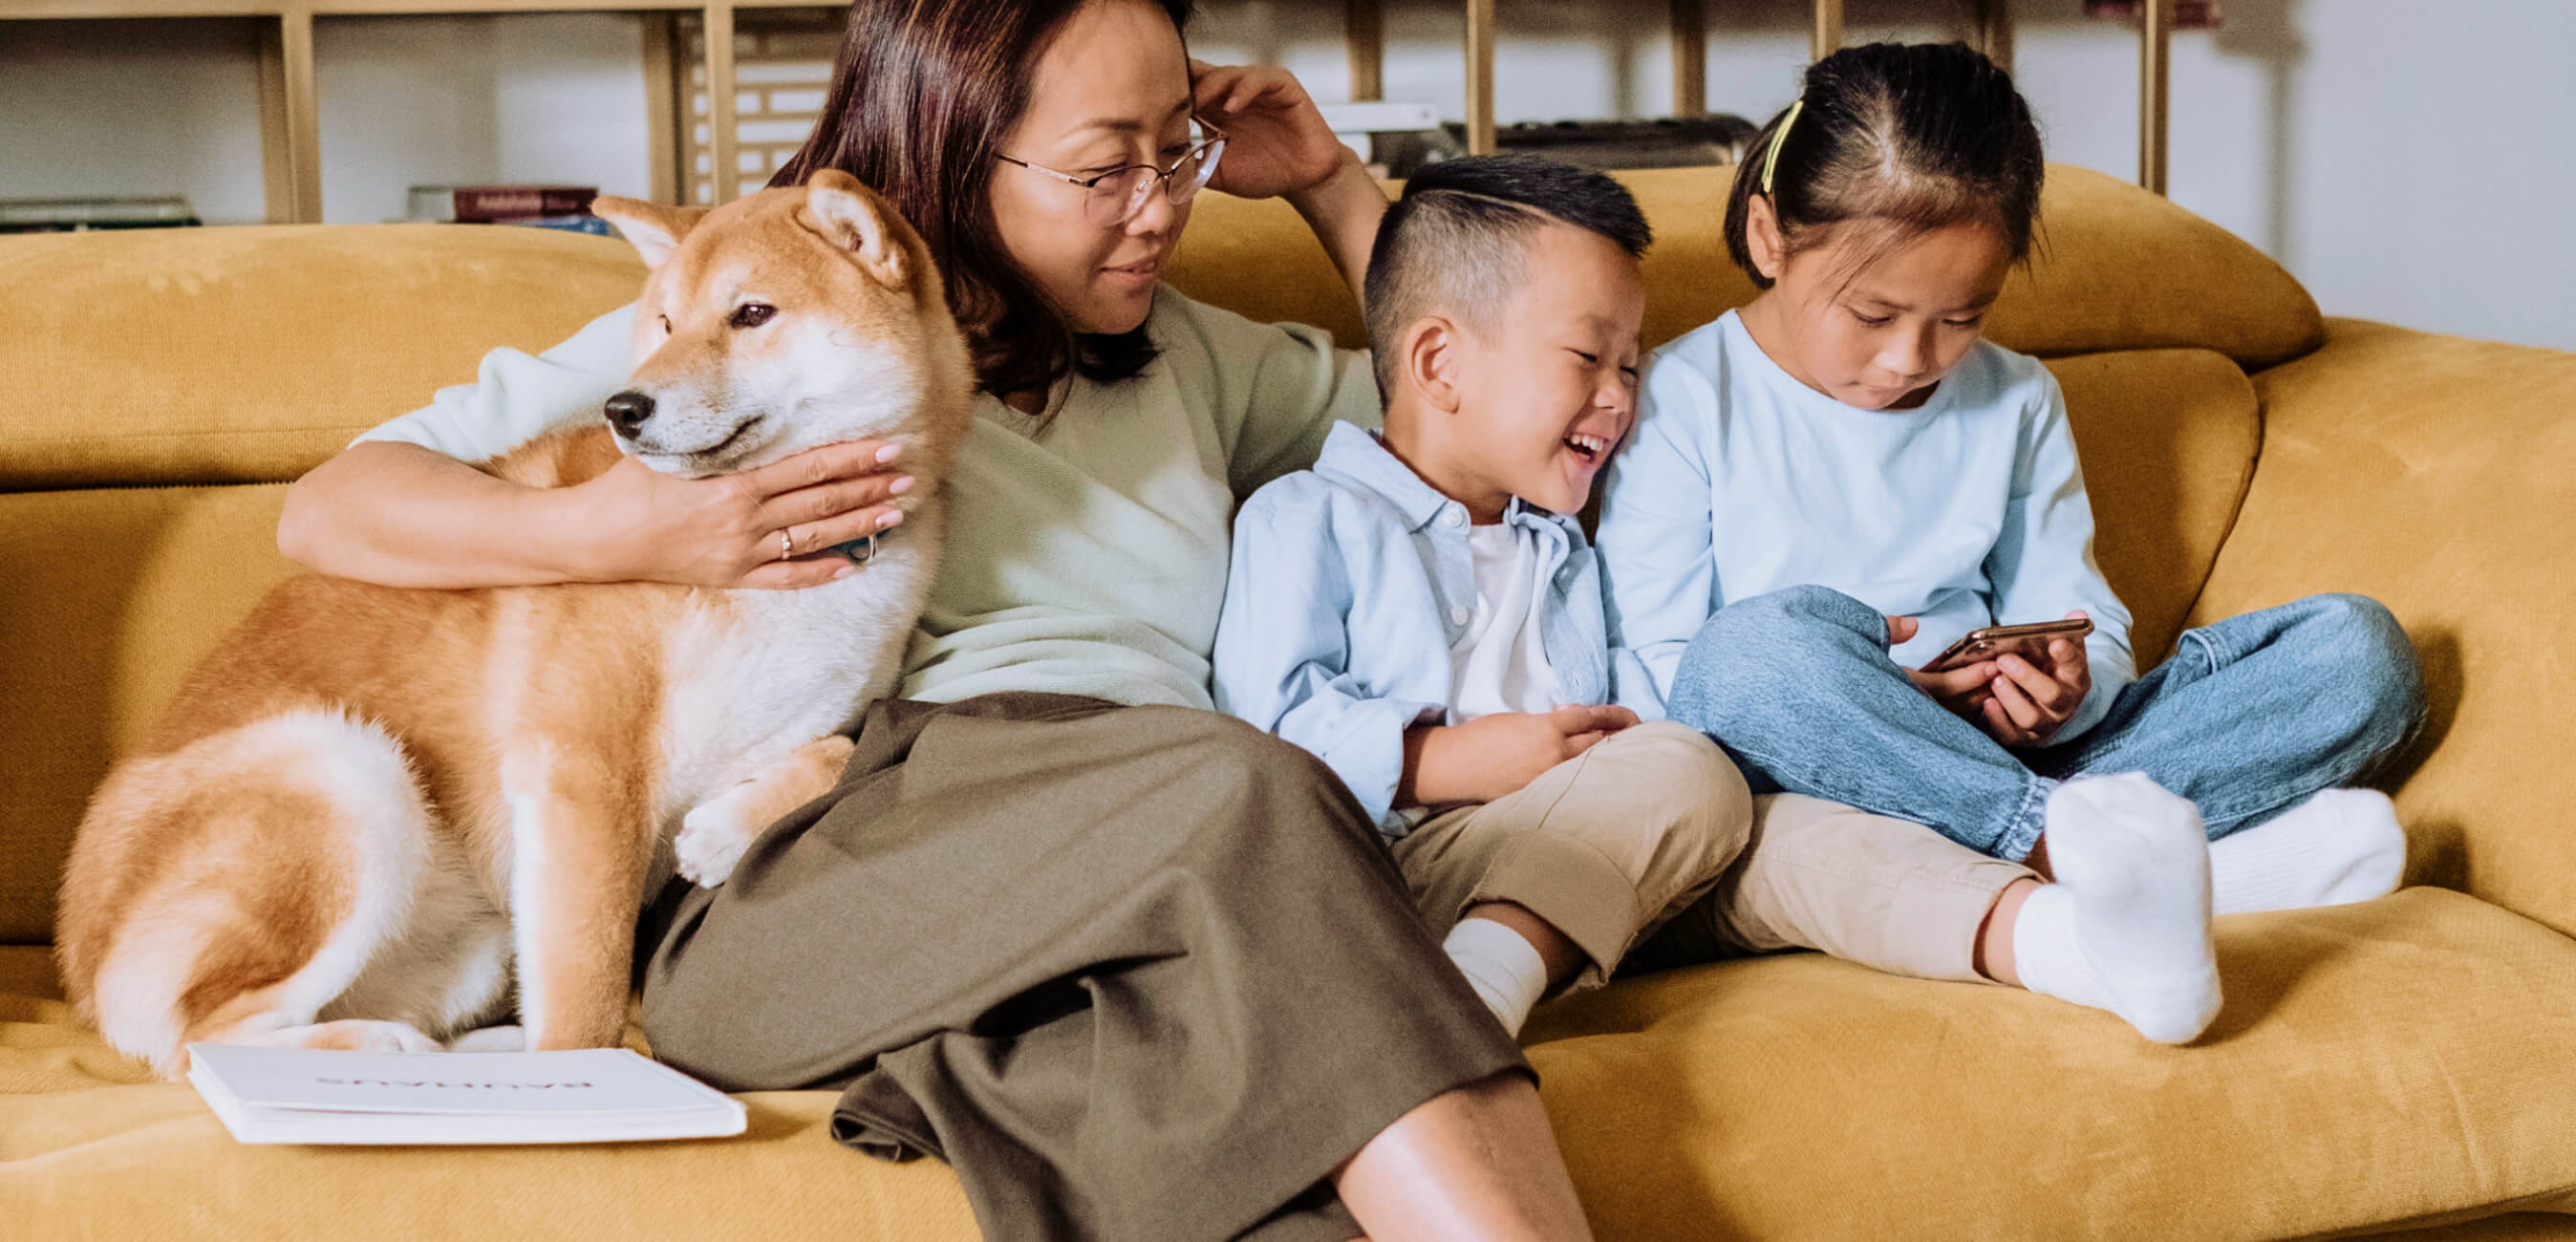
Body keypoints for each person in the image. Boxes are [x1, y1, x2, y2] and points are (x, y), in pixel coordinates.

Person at [278, 3, 1588, 1238]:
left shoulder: (1190, 358)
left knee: (1261, 1091)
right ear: (954, 148)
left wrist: (1333, 185)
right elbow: (331, 508)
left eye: (1176, 152)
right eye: (1104, 169)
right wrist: (620, 532)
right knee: (1256, 790)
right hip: (837, 861)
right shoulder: (751, 320)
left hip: (1142, 883)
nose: (1157, 208)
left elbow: (1481, 408)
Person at [1215, 154, 2263, 1050]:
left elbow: (1640, 699)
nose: (1620, 396)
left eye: (1632, 363)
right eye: (1588, 358)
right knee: (1687, 766)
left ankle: (2079, 947)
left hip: (1621, 865)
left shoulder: (1559, 546)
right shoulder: (1307, 517)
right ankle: (1472, 994)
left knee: (1796, 832)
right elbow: (1265, 741)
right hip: (1406, 875)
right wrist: (1451, 760)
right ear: (1438, 362)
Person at [1595, 44, 2427, 1009]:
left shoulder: (2016, 398)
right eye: (1871, 314)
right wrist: (1896, 704)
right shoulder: (1682, 397)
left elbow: (2081, 617)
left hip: (2010, 760)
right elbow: (1668, 679)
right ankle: (2078, 852)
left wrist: (2067, 687)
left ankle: (2064, 846)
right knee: (1749, 655)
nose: (1911, 358)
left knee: (2358, 651)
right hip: (1810, 781)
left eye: (1961, 317)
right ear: (1769, 236)